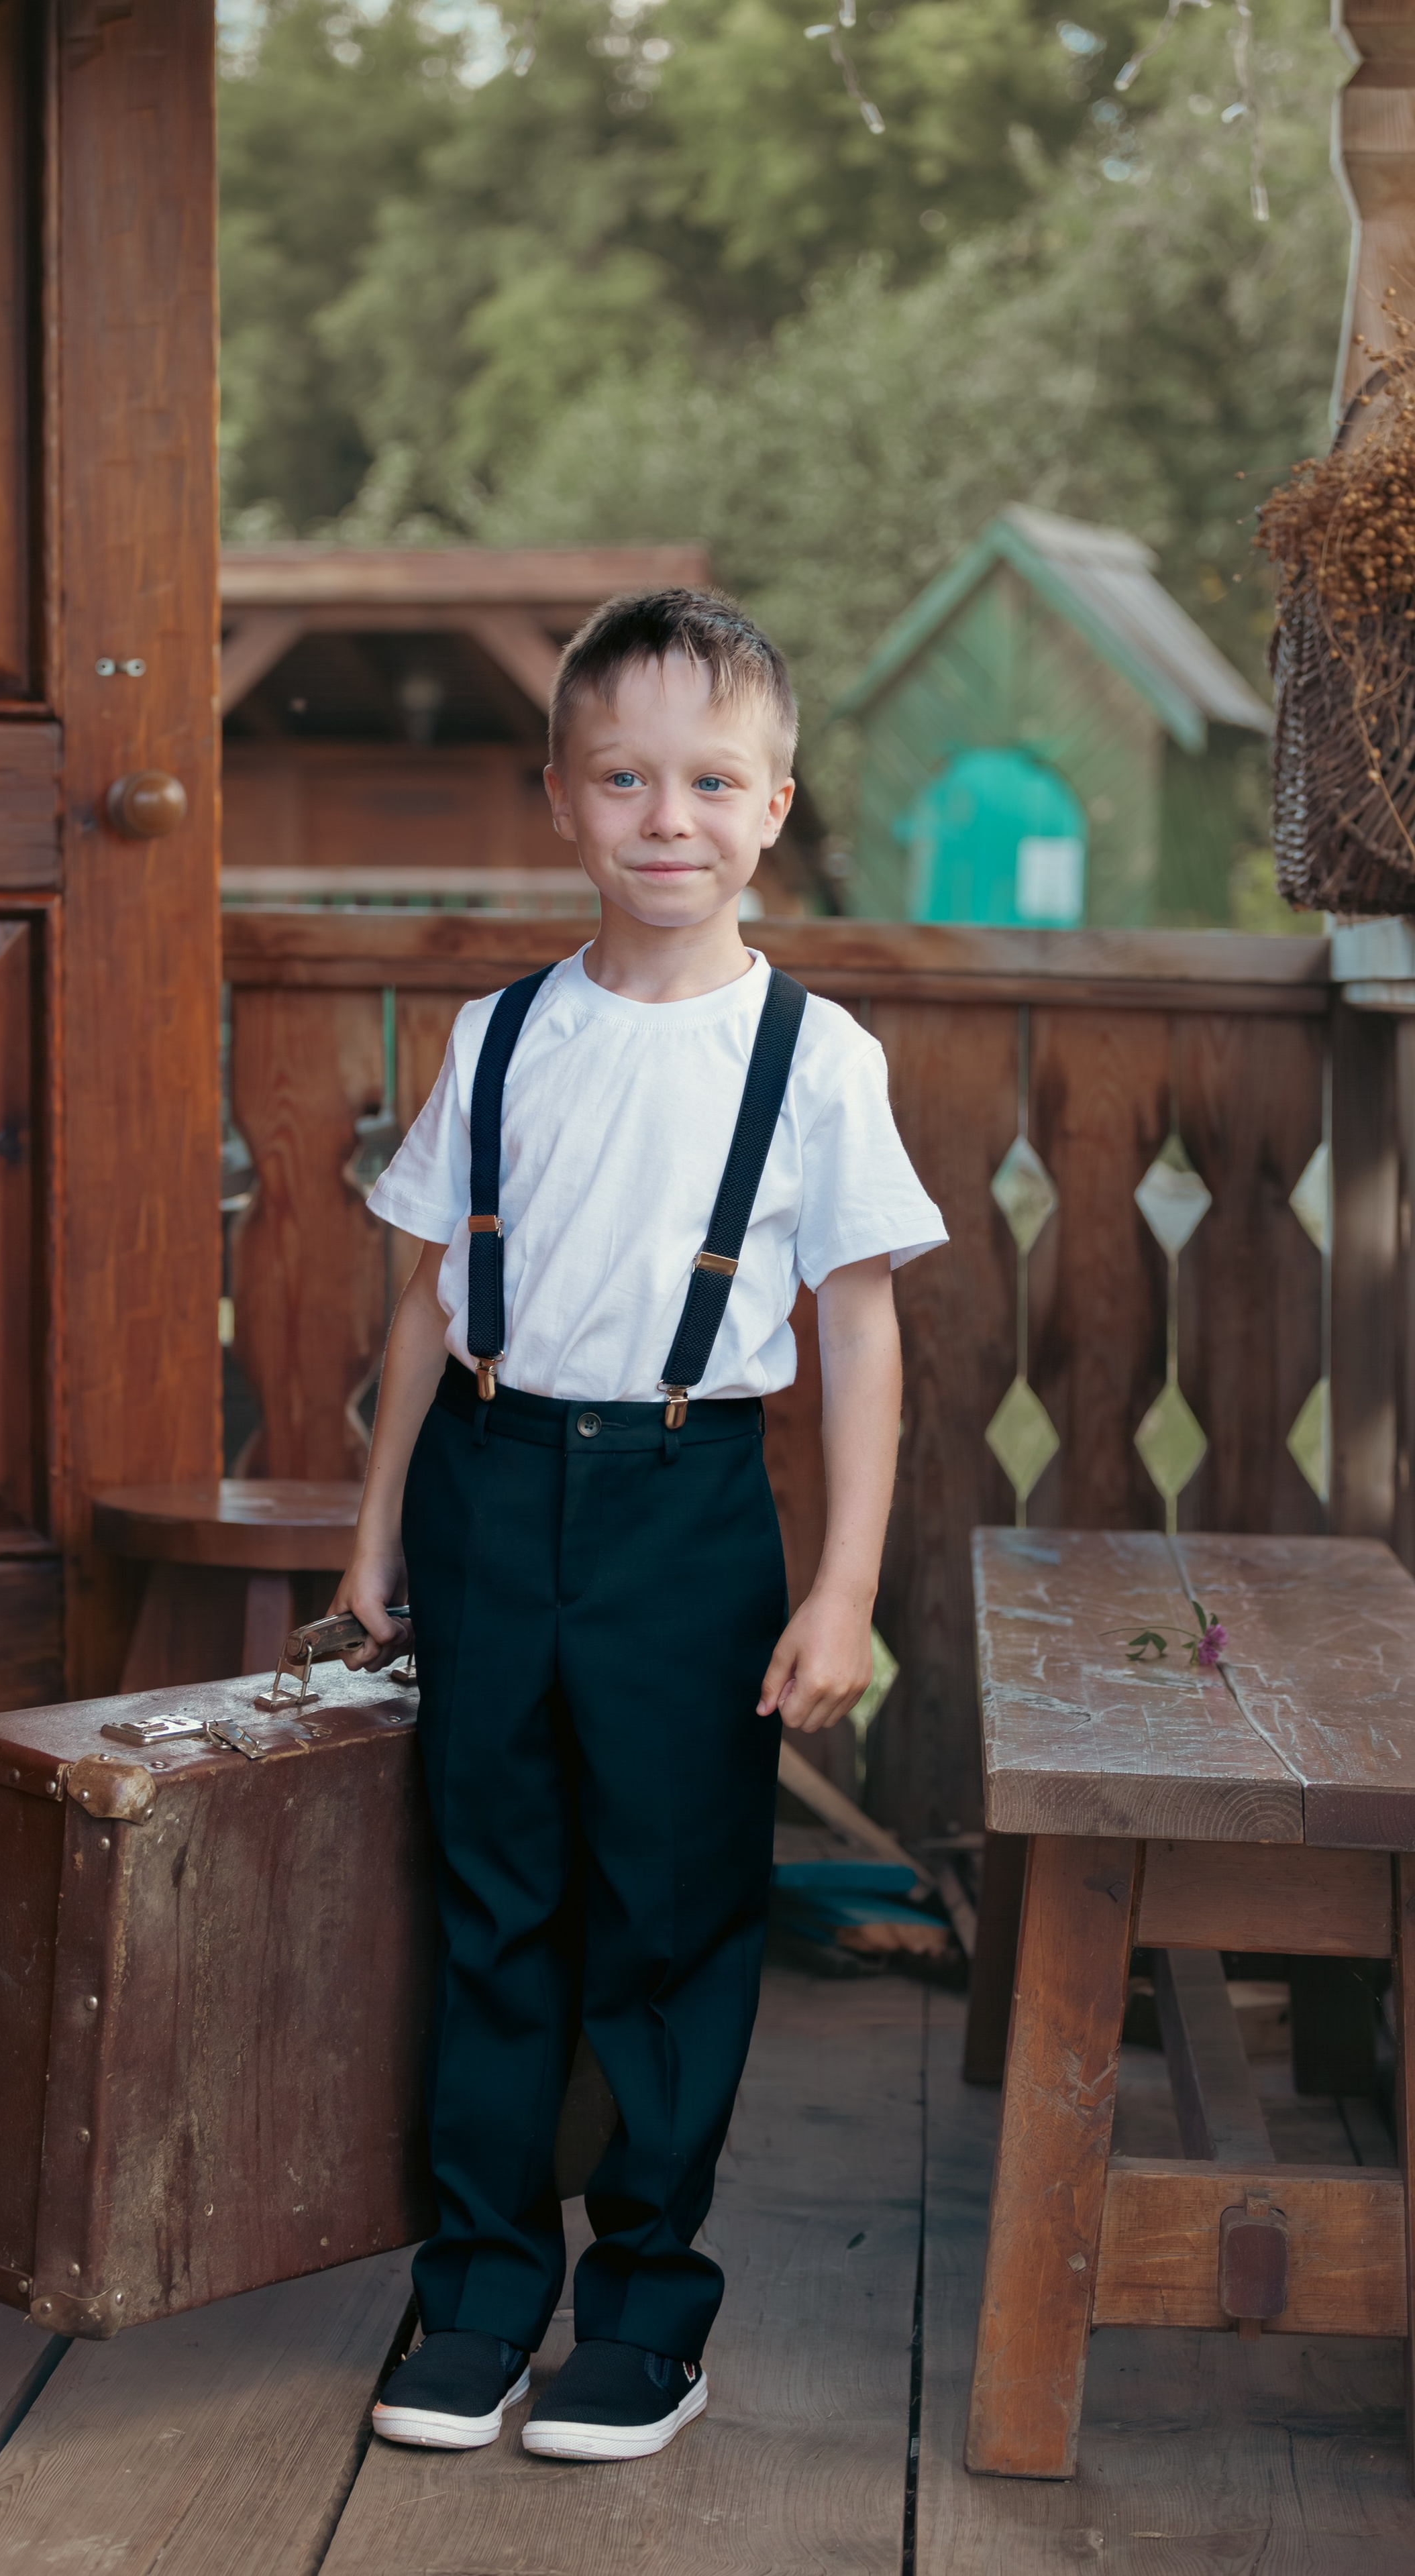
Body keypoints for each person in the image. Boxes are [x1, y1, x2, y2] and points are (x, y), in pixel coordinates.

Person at [331, 588, 946, 2464]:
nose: (664, 817)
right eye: (623, 778)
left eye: (708, 781)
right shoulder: (502, 1033)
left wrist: (839, 1588)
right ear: (560, 798)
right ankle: (479, 2287)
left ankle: (648, 2310)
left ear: (774, 807)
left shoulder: (813, 1056)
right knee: (497, 1903)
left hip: (689, 1507)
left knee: (670, 1918)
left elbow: (858, 1330)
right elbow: (433, 1297)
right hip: (489, 1495)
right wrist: (376, 1540)